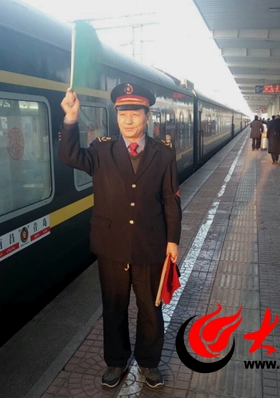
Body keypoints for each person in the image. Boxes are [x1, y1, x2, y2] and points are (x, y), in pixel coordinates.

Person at [59, 82, 182, 389]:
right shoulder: (101, 150)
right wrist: (71, 118)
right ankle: (116, 361)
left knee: (150, 307)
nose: (128, 120)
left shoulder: (164, 154)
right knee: (114, 306)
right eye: (122, 113)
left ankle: (149, 362)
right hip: (111, 244)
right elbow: (69, 155)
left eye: (135, 113)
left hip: (150, 244)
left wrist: (173, 240)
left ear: (147, 116)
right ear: (116, 116)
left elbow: (171, 198)